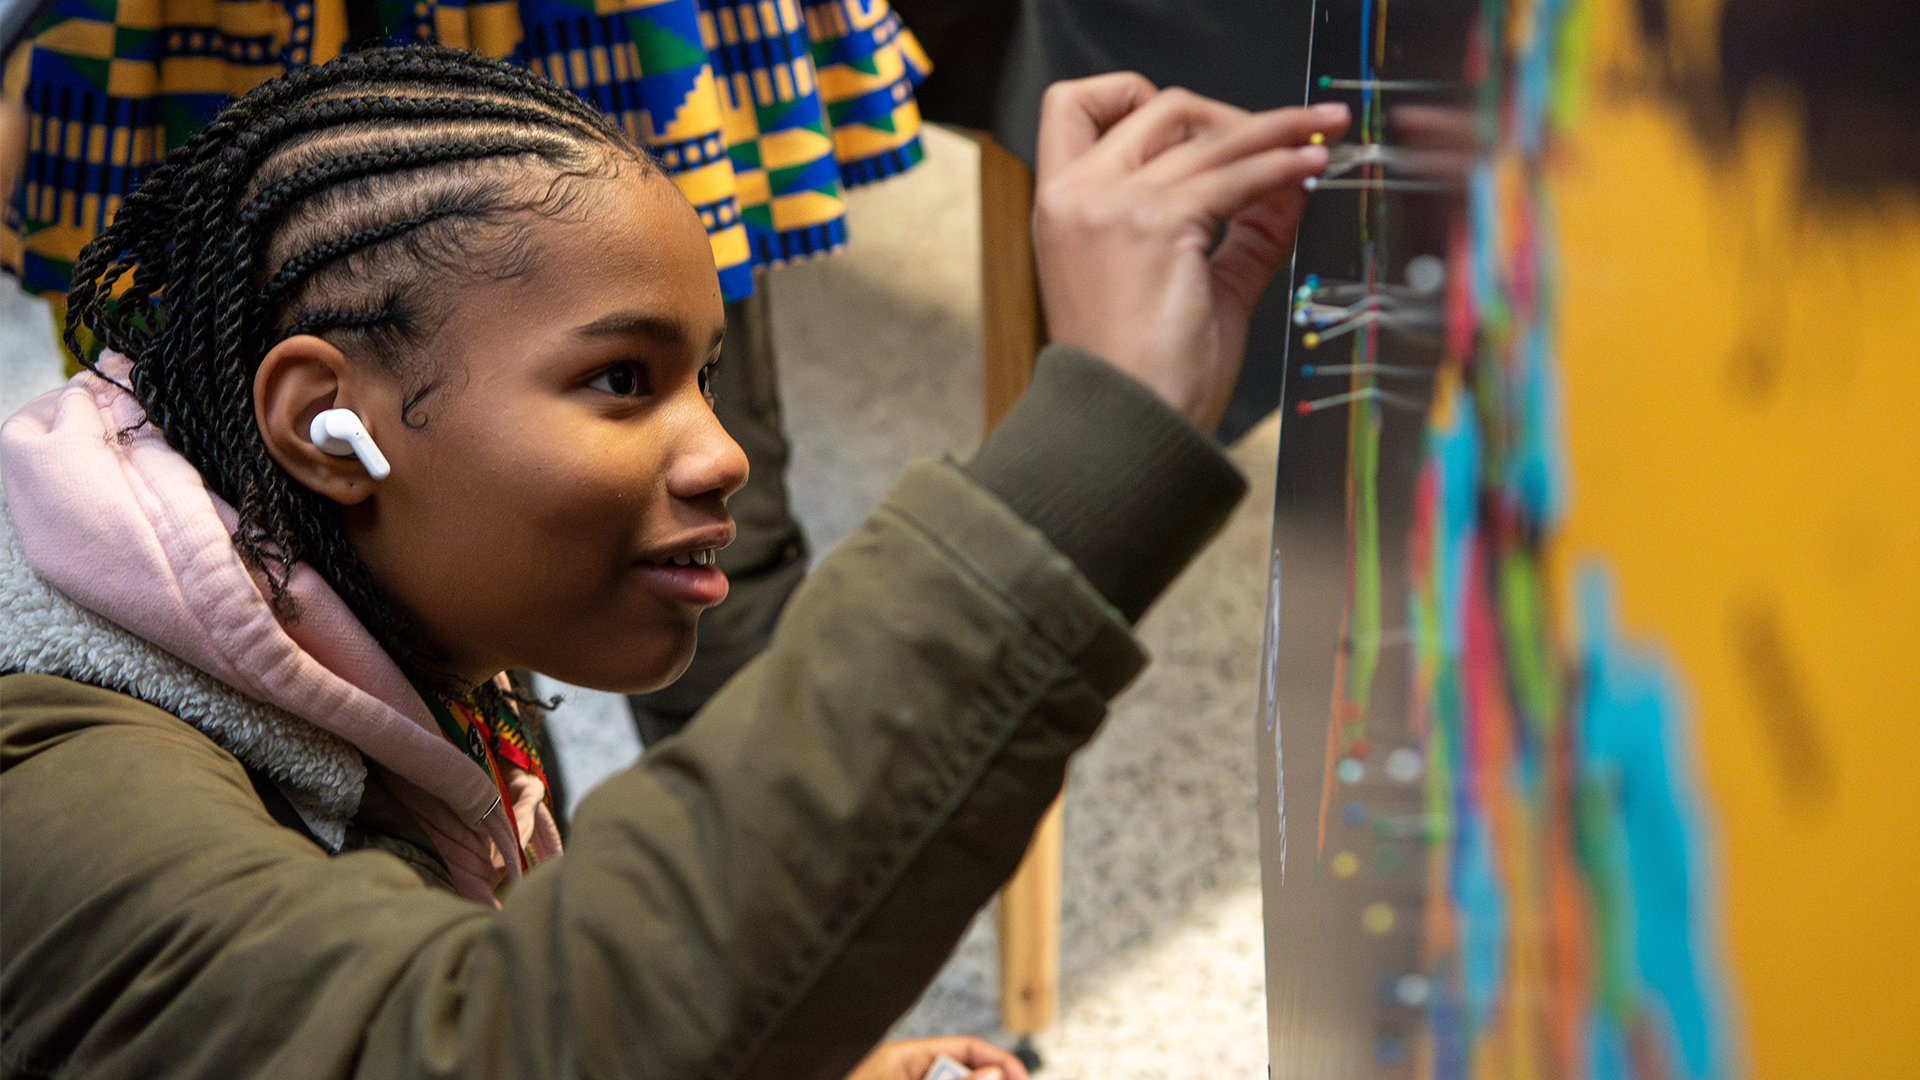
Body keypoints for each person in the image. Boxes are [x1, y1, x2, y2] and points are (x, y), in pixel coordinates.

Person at [0, 45, 1344, 1080]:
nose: (724, 455)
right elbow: (475, 1042)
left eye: (702, 378)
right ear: (325, 424)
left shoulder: (369, 642)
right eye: (621, 380)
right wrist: (1098, 433)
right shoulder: (57, 784)